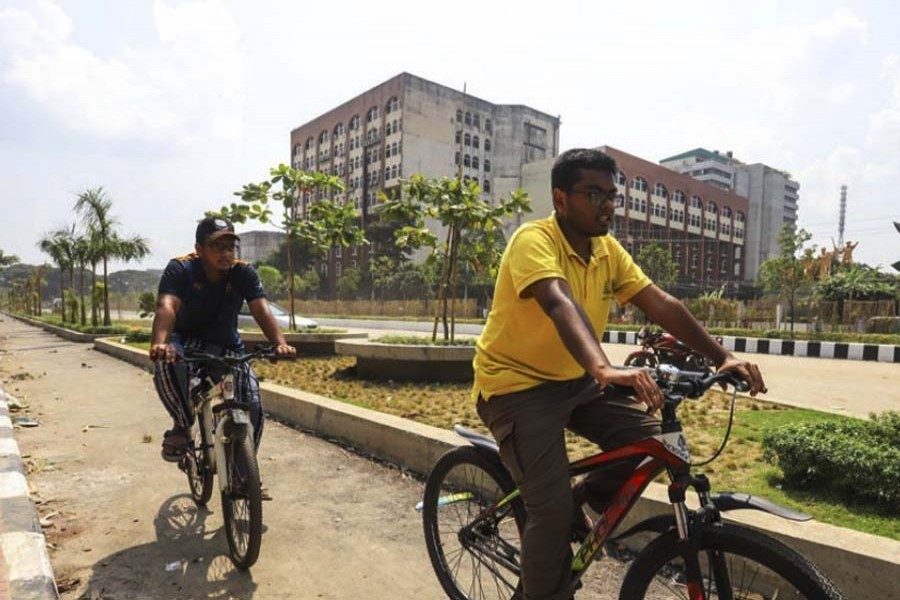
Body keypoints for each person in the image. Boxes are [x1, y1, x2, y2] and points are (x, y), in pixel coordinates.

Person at [472, 149, 767, 600]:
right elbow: (558, 302)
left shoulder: (607, 251)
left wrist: (720, 356)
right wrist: (604, 367)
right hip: (516, 387)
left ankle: (580, 497)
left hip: (577, 381)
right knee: (547, 514)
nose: (608, 205)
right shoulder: (533, 241)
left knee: (654, 445)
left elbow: (662, 303)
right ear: (561, 198)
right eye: (595, 194)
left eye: (612, 195)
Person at [149, 216, 296, 471]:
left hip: (225, 346)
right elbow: (167, 306)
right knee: (167, 363)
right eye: (217, 247)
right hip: (184, 341)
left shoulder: (243, 273)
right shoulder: (181, 269)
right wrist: (160, 343)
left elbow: (261, 309)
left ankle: (243, 472)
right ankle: (183, 426)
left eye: (230, 247)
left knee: (252, 402)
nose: (226, 253)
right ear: (199, 249)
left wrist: (279, 343)